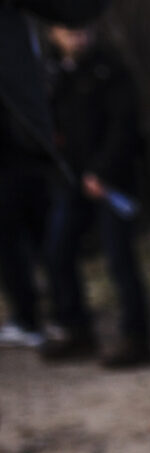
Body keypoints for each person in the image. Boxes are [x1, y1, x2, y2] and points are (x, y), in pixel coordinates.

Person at [41, 24, 150, 367]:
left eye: (82, 30)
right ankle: (76, 329)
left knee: (120, 259)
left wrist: (103, 172)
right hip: (71, 181)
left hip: (113, 181)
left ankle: (137, 339)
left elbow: (126, 125)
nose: (77, 37)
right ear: (53, 35)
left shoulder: (110, 68)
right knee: (57, 252)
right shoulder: (52, 72)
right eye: (68, 31)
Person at [0, 0, 110, 347]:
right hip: (30, 146)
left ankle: (63, 319)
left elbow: (73, 10)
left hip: (33, 148)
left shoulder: (101, 69)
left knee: (48, 238)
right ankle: (44, 316)